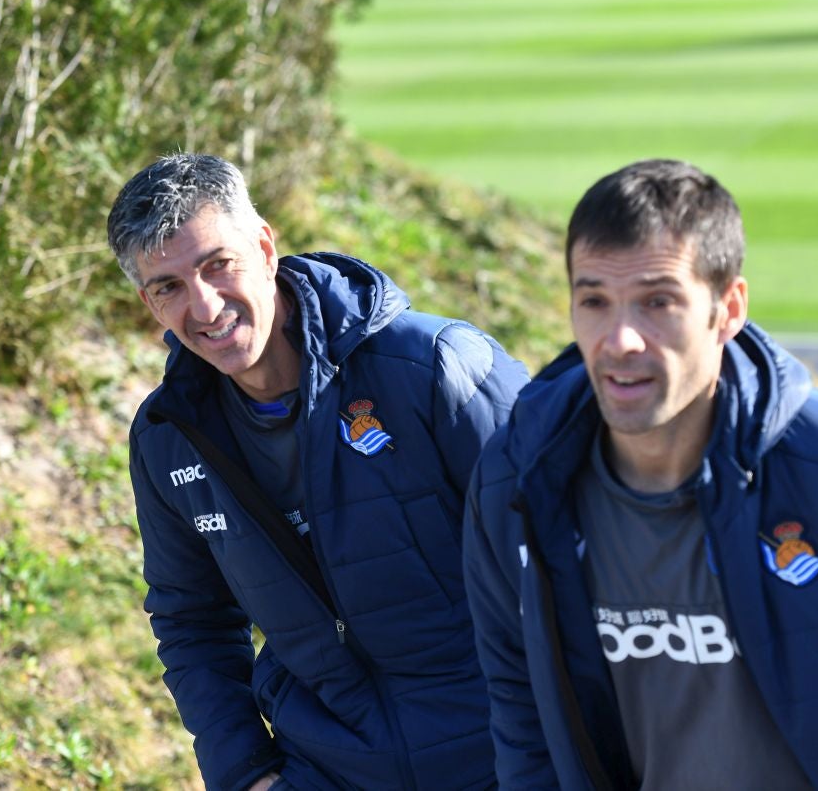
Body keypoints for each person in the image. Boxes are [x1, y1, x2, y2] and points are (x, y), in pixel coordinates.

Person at [462, 158, 818, 790]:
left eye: (659, 301)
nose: (621, 338)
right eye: (594, 300)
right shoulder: (516, 482)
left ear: (728, 308)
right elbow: (523, 709)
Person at [107, 153, 529, 791]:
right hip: (326, 769)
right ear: (149, 303)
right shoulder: (168, 438)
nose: (205, 305)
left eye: (217, 264)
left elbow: (568, 560)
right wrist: (246, 772)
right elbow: (192, 619)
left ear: (265, 246)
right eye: (168, 287)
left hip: (503, 759)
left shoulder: (435, 368)